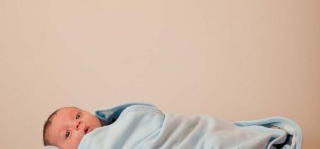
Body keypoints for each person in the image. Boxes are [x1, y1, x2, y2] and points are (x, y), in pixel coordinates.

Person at [43, 102, 303, 149]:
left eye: (77, 116)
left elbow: (166, 128)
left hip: (183, 137)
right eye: (67, 134)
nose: (77, 126)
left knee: (208, 130)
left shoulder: (125, 122)